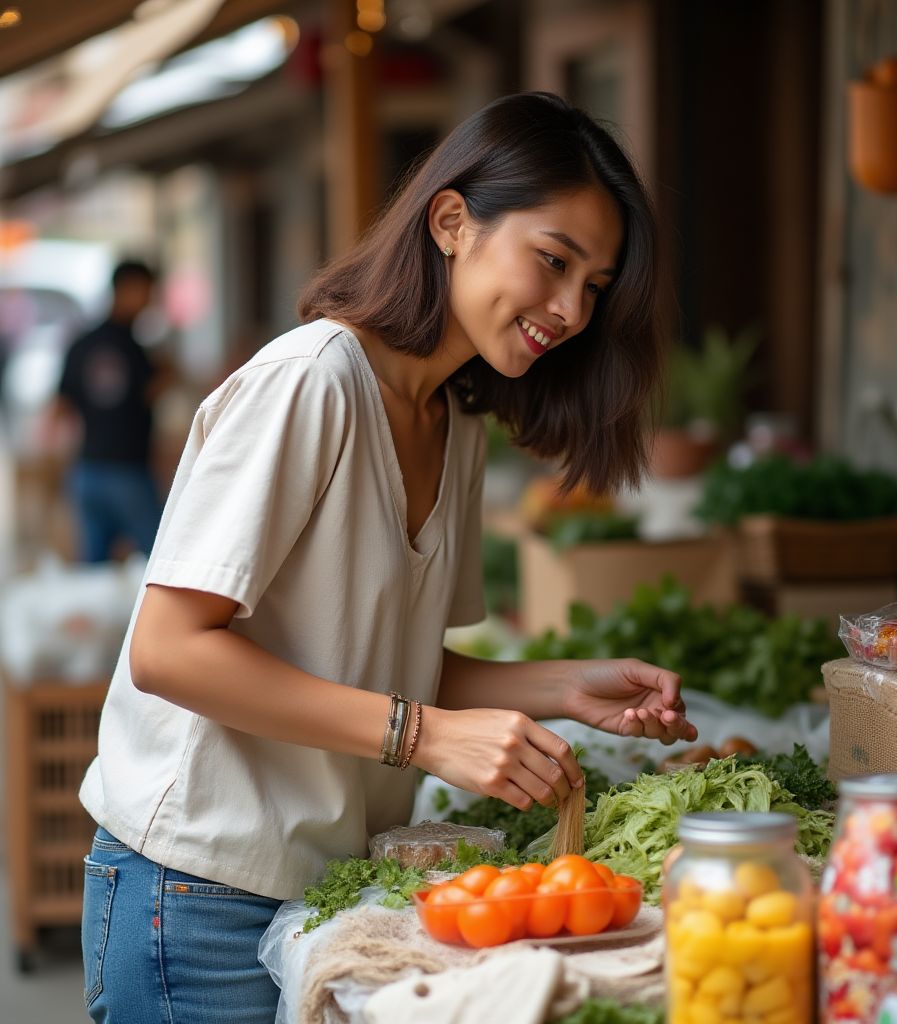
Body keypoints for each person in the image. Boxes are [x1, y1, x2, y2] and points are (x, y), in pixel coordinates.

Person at [79, 92, 699, 1024]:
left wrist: (564, 685)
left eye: (595, 286)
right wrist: (427, 737)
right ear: (452, 221)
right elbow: (167, 650)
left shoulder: (455, 422)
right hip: (194, 893)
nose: (571, 309)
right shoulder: (312, 382)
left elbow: (388, 662)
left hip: (316, 893)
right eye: (554, 260)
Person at [54, 259, 166, 562]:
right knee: (159, 561)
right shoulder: (133, 348)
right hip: (128, 471)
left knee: (94, 567)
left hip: (87, 470)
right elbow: (153, 392)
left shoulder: (83, 343)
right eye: (147, 291)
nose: (149, 301)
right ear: (127, 289)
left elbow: (60, 408)